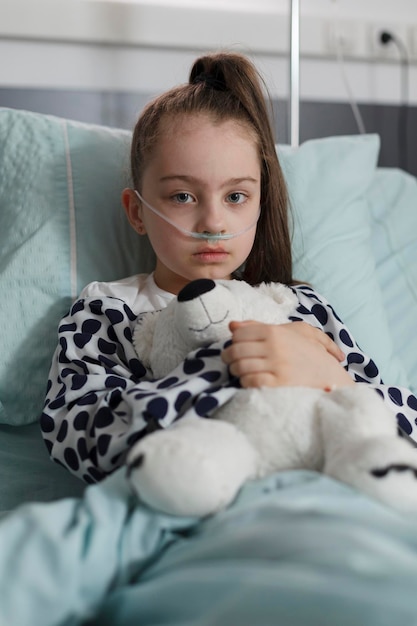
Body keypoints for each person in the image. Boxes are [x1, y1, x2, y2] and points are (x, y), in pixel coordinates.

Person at [40, 51, 417, 484]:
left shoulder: (298, 308)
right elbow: (80, 436)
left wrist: (333, 378)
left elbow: (403, 430)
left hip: (317, 501)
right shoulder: (108, 311)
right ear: (137, 211)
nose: (214, 223)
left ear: (260, 201)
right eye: (183, 196)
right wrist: (224, 362)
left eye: (236, 197)